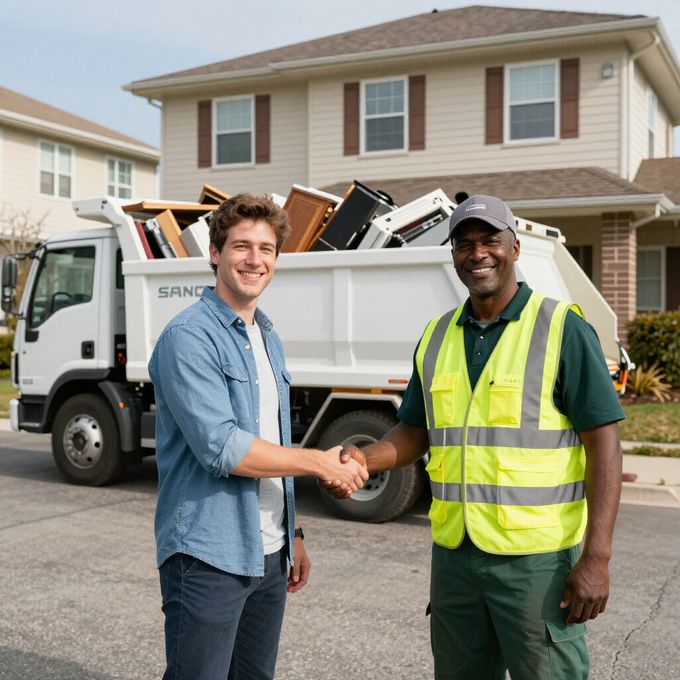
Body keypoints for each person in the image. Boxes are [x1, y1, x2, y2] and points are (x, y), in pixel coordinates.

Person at [326, 194, 624, 679]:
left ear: (515, 248)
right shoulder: (437, 335)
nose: (478, 253)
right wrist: (365, 458)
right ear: (453, 256)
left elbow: (605, 447)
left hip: (536, 563)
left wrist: (597, 558)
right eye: (464, 244)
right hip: (455, 558)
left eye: (490, 240)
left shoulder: (561, 328)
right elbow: (414, 431)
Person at [149, 193, 368, 680]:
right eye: (241, 246)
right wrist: (319, 463)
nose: (254, 260)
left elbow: (272, 432)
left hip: (268, 552)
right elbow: (221, 447)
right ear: (214, 253)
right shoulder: (189, 337)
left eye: (266, 249)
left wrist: (294, 533)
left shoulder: (266, 334)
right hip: (208, 555)